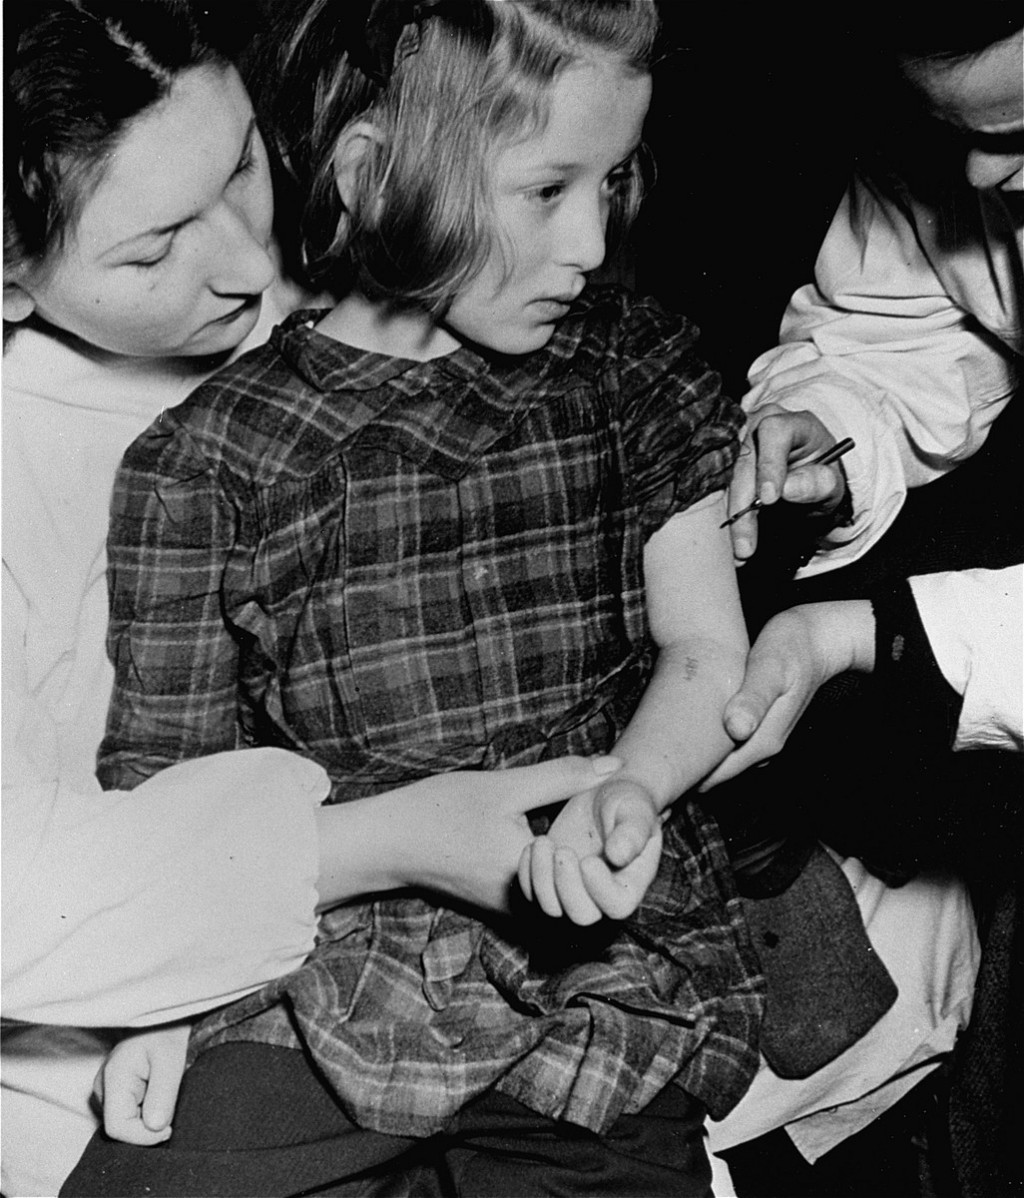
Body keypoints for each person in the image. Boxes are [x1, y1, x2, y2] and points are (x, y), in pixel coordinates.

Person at [69, 2, 767, 1194]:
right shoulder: (206, 458)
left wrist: (634, 792)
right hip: (318, 976)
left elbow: (704, 649)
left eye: (612, 181)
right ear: (375, 172)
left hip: (588, 981)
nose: (592, 241)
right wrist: (161, 1007)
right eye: (546, 190)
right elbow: (171, 783)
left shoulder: (629, 366)